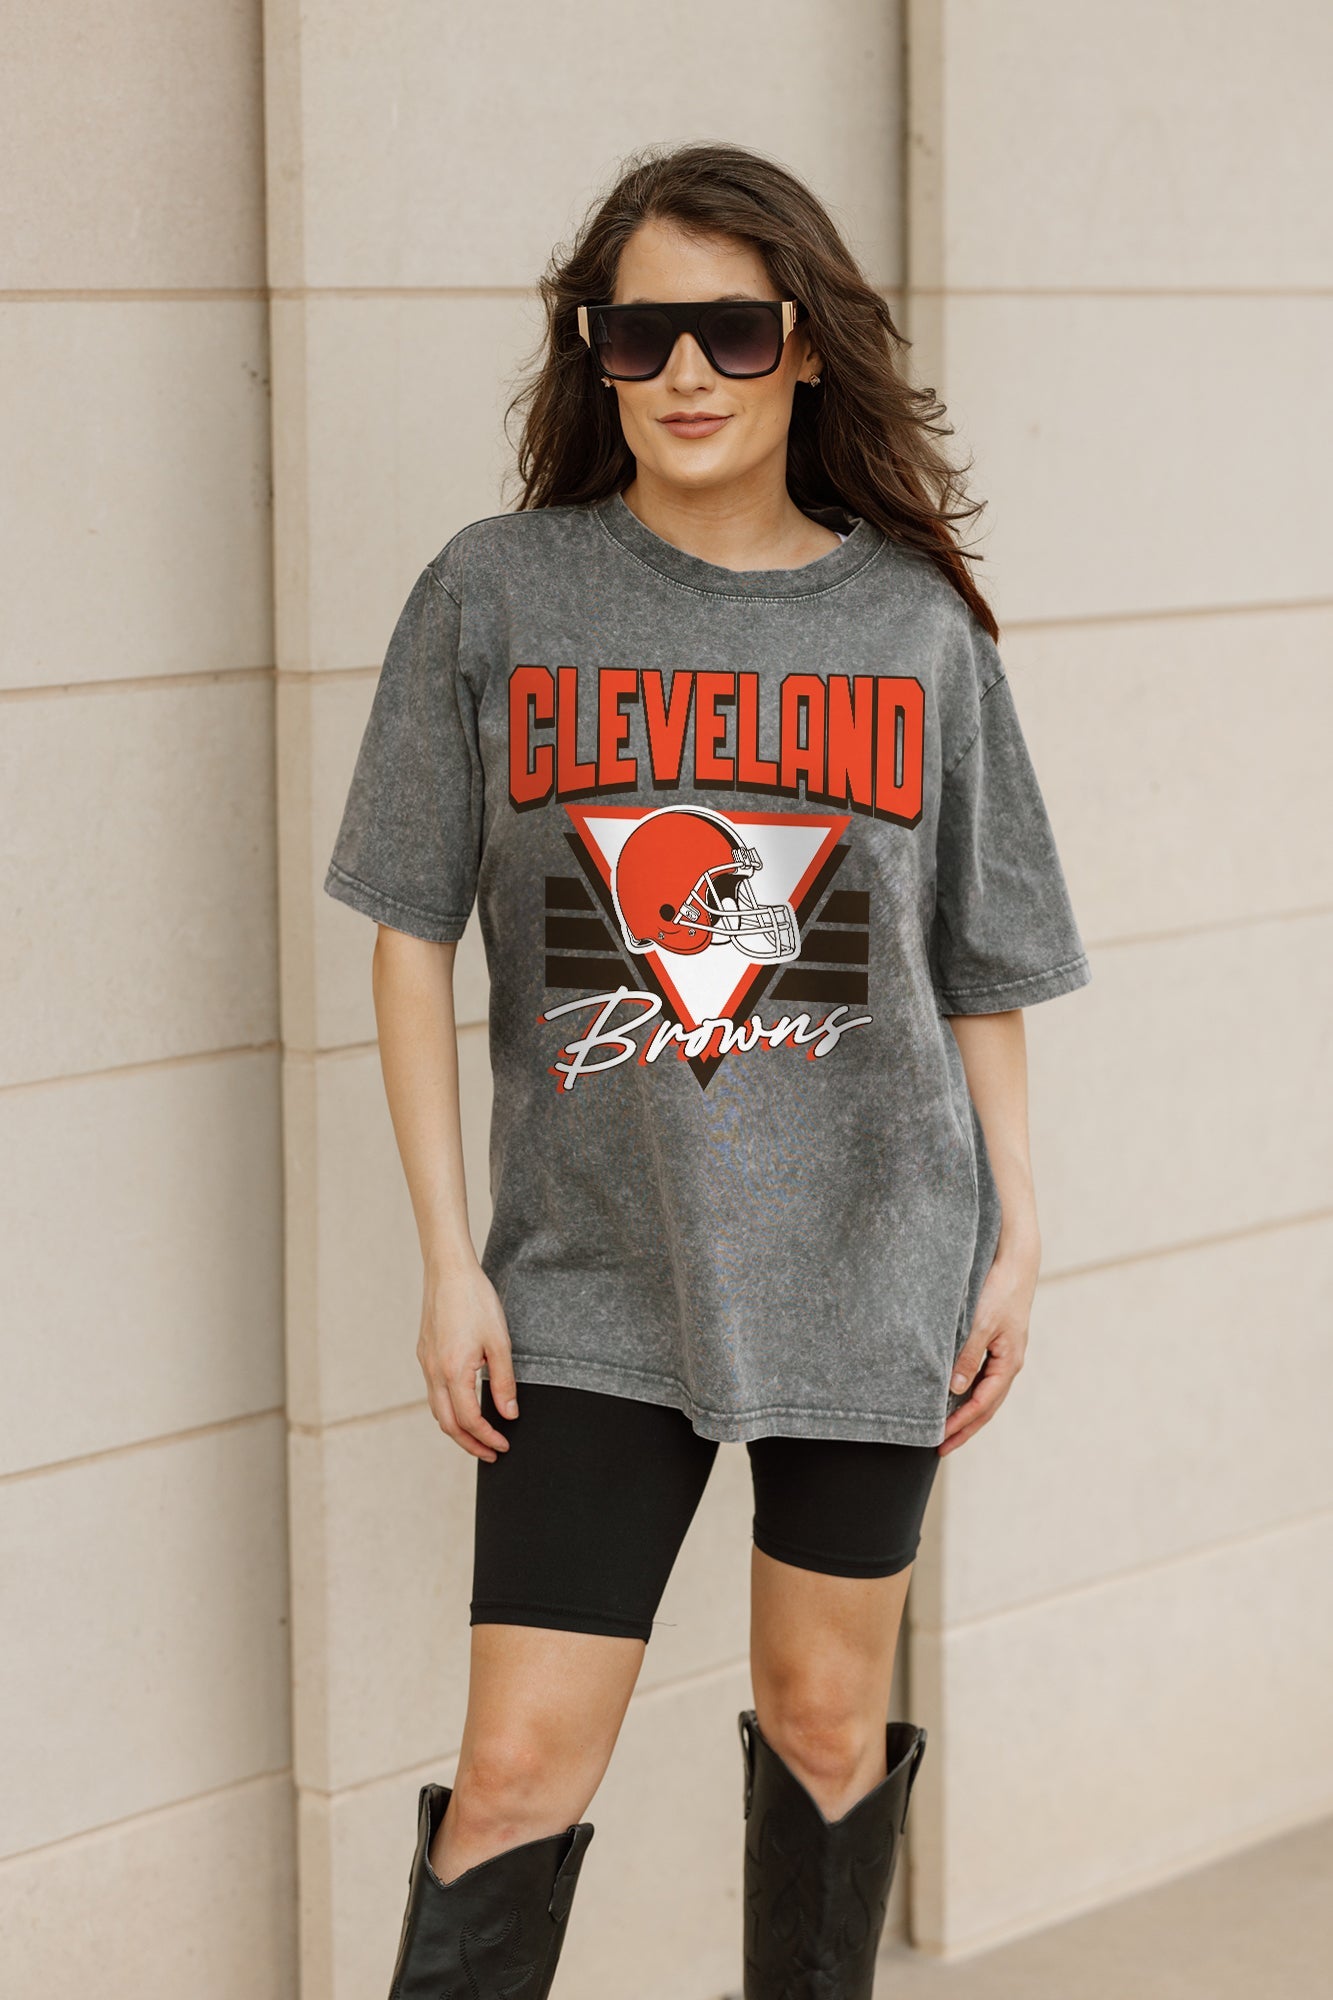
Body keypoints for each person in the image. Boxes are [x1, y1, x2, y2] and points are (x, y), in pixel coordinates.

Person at [324, 140, 1092, 2000]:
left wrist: (1012, 1228)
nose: (684, 373)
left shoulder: (911, 626)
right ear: (592, 352)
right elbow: (408, 934)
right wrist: (447, 1264)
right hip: (588, 1277)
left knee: (827, 1727)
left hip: (871, 1257)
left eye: (732, 333)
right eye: (639, 334)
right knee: (513, 1770)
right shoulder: (494, 595)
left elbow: (975, 961)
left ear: (804, 347)